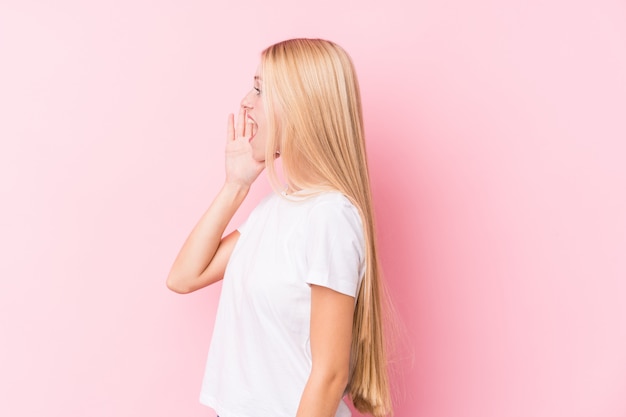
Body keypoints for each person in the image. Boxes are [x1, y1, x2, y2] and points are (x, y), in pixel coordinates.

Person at [167, 38, 392, 417]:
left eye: (260, 89)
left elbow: (330, 373)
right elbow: (184, 277)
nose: (245, 101)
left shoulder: (329, 217)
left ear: (300, 107)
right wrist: (236, 185)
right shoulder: (278, 207)